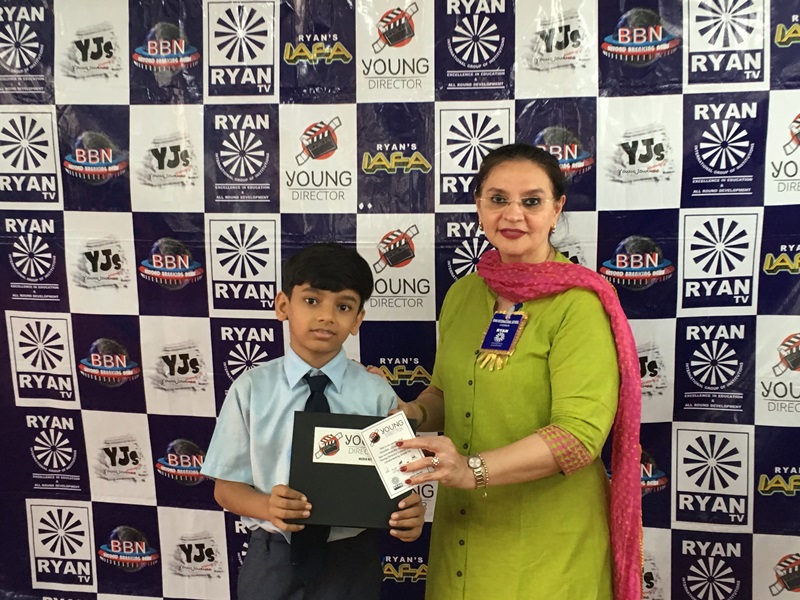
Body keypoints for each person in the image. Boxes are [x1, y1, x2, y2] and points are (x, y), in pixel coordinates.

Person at [395, 144, 642, 600]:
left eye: (531, 201)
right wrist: (410, 413)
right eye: (498, 199)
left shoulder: (578, 304)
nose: (513, 214)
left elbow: (578, 437)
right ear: (478, 205)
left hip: (549, 549)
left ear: (556, 209)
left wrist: (472, 470)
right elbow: (445, 394)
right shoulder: (464, 294)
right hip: (462, 538)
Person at [201, 242, 425, 600]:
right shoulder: (251, 389)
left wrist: (410, 513)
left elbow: (400, 489)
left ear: (358, 320)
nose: (326, 316)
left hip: (351, 559)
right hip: (272, 555)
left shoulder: (376, 394)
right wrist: (267, 506)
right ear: (283, 306)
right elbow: (225, 489)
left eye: (343, 306)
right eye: (311, 300)